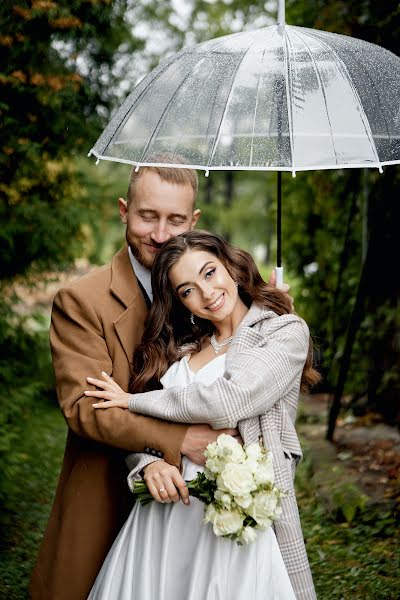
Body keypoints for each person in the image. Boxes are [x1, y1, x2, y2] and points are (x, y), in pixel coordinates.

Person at [29, 157, 241, 600]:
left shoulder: (213, 290)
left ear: (194, 219)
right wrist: (180, 439)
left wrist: (271, 310)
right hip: (106, 497)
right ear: (124, 209)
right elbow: (87, 409)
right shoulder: (81, 301)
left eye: (175, 219)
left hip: (196, 514)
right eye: (148, 216)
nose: (161, 235)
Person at [85, 230, 320, 600]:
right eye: (188, 290)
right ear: (180, 302)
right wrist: (146, 462)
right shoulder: (182, 347)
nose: (207, 293)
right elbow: (148, 432)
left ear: (231, 265)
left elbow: (228, 402)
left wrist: (130, 401)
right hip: (162, 519)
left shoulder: (284, 332)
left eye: (209, 272)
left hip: (233, 518)